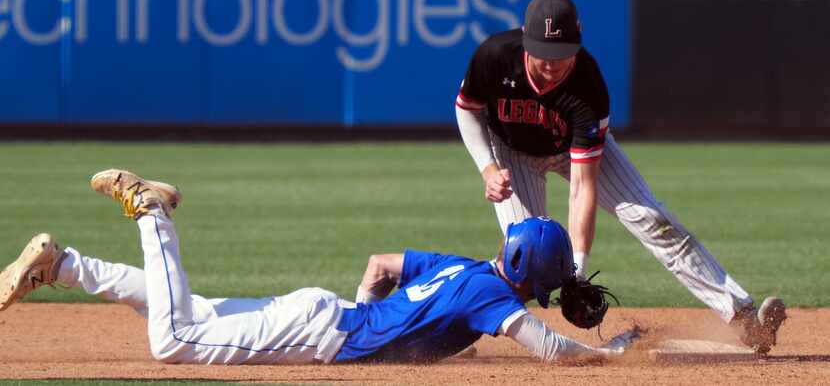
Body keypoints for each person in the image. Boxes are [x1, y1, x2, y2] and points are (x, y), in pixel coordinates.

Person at [0, 169, 638, 365]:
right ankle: (151, 212)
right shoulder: (494, 302)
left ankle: (64, 268)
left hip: (329, 313)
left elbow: (381, 263)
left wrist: (378, 317)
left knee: (189, 314)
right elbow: (550, 347)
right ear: (536, 278)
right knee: (174, 339)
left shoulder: (466, 270)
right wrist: (608, 356)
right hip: (321, 331)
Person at [454, 0, 786, 354]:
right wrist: (488, 168)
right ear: (524, 38)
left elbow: (582, 186)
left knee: (653, 220)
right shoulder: (494, 57)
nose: (551, 64)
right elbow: (467, 108)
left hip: (571, 152)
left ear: (578, 40)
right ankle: (450, 332)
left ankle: (744, 318)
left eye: (561, 53)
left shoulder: (587, 85)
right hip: (512, 153)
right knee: (524, 257)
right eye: (542, 53)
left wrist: (577, 270)